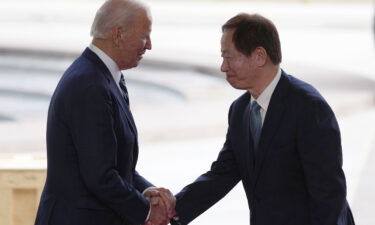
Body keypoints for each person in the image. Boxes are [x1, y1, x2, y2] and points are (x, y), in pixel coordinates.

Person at [171, 13, 355, 225]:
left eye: (229, 57)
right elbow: (223, 174)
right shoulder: (240, 110)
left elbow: (329, 194)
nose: (223, 66)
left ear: (259, 56)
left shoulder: (307, 107)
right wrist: (173, 208)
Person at [34, 1, 175, 225]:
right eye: (144, 36)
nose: (149, 45)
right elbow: (100, 176)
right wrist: (147, 213)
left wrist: (147, 191)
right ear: (118, 34)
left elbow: (115, 164)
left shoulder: (105, 77)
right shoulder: (89, 85)